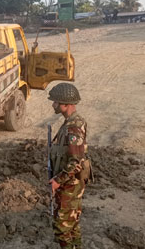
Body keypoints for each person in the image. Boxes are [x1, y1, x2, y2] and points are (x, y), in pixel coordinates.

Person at [47, 83, 93, 249]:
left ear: (66, 104)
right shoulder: (71, 122)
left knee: (62, 227)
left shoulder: (73, 127)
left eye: (56, 102)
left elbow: (76, 162)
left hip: (70, 184)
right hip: (70, 183)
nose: (53, 105)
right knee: (72, 224)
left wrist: (57, 181)